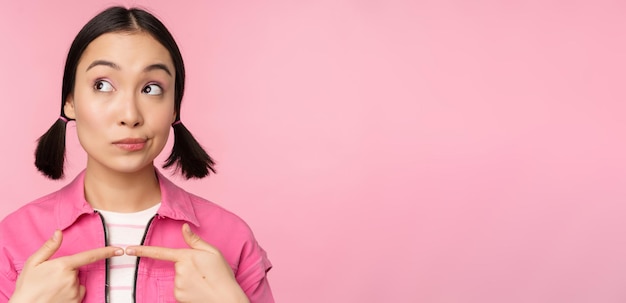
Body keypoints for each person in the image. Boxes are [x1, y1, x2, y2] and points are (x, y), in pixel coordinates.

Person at [0, 6, 273, 303]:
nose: (130, 115)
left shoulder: (231, 238)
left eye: (151, 88)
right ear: (69, 102)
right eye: (102, 85)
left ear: (174, 108)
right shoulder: (11, 239)